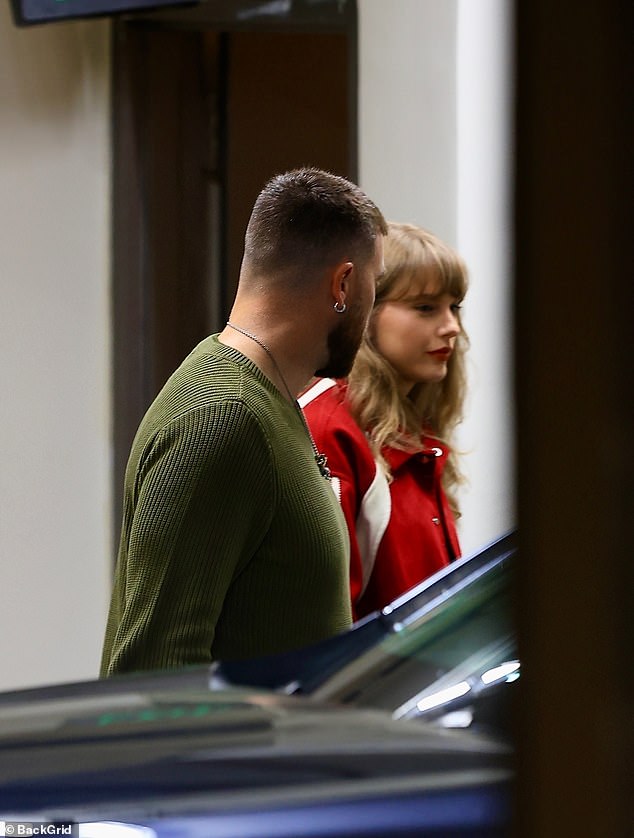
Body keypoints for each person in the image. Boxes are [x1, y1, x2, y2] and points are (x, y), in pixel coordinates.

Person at [100, 167, 387, 676]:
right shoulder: (223, 418)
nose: (372, 309)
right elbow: (154, 674)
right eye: (373, 283)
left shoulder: (268, 399)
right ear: (343, 283)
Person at [300, 222, 468, 620]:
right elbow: (326, 617)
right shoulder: (330, 429)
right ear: (367, 307)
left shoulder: (416, 433)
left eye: (454, 306)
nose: (452, 327)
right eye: (425, 307)